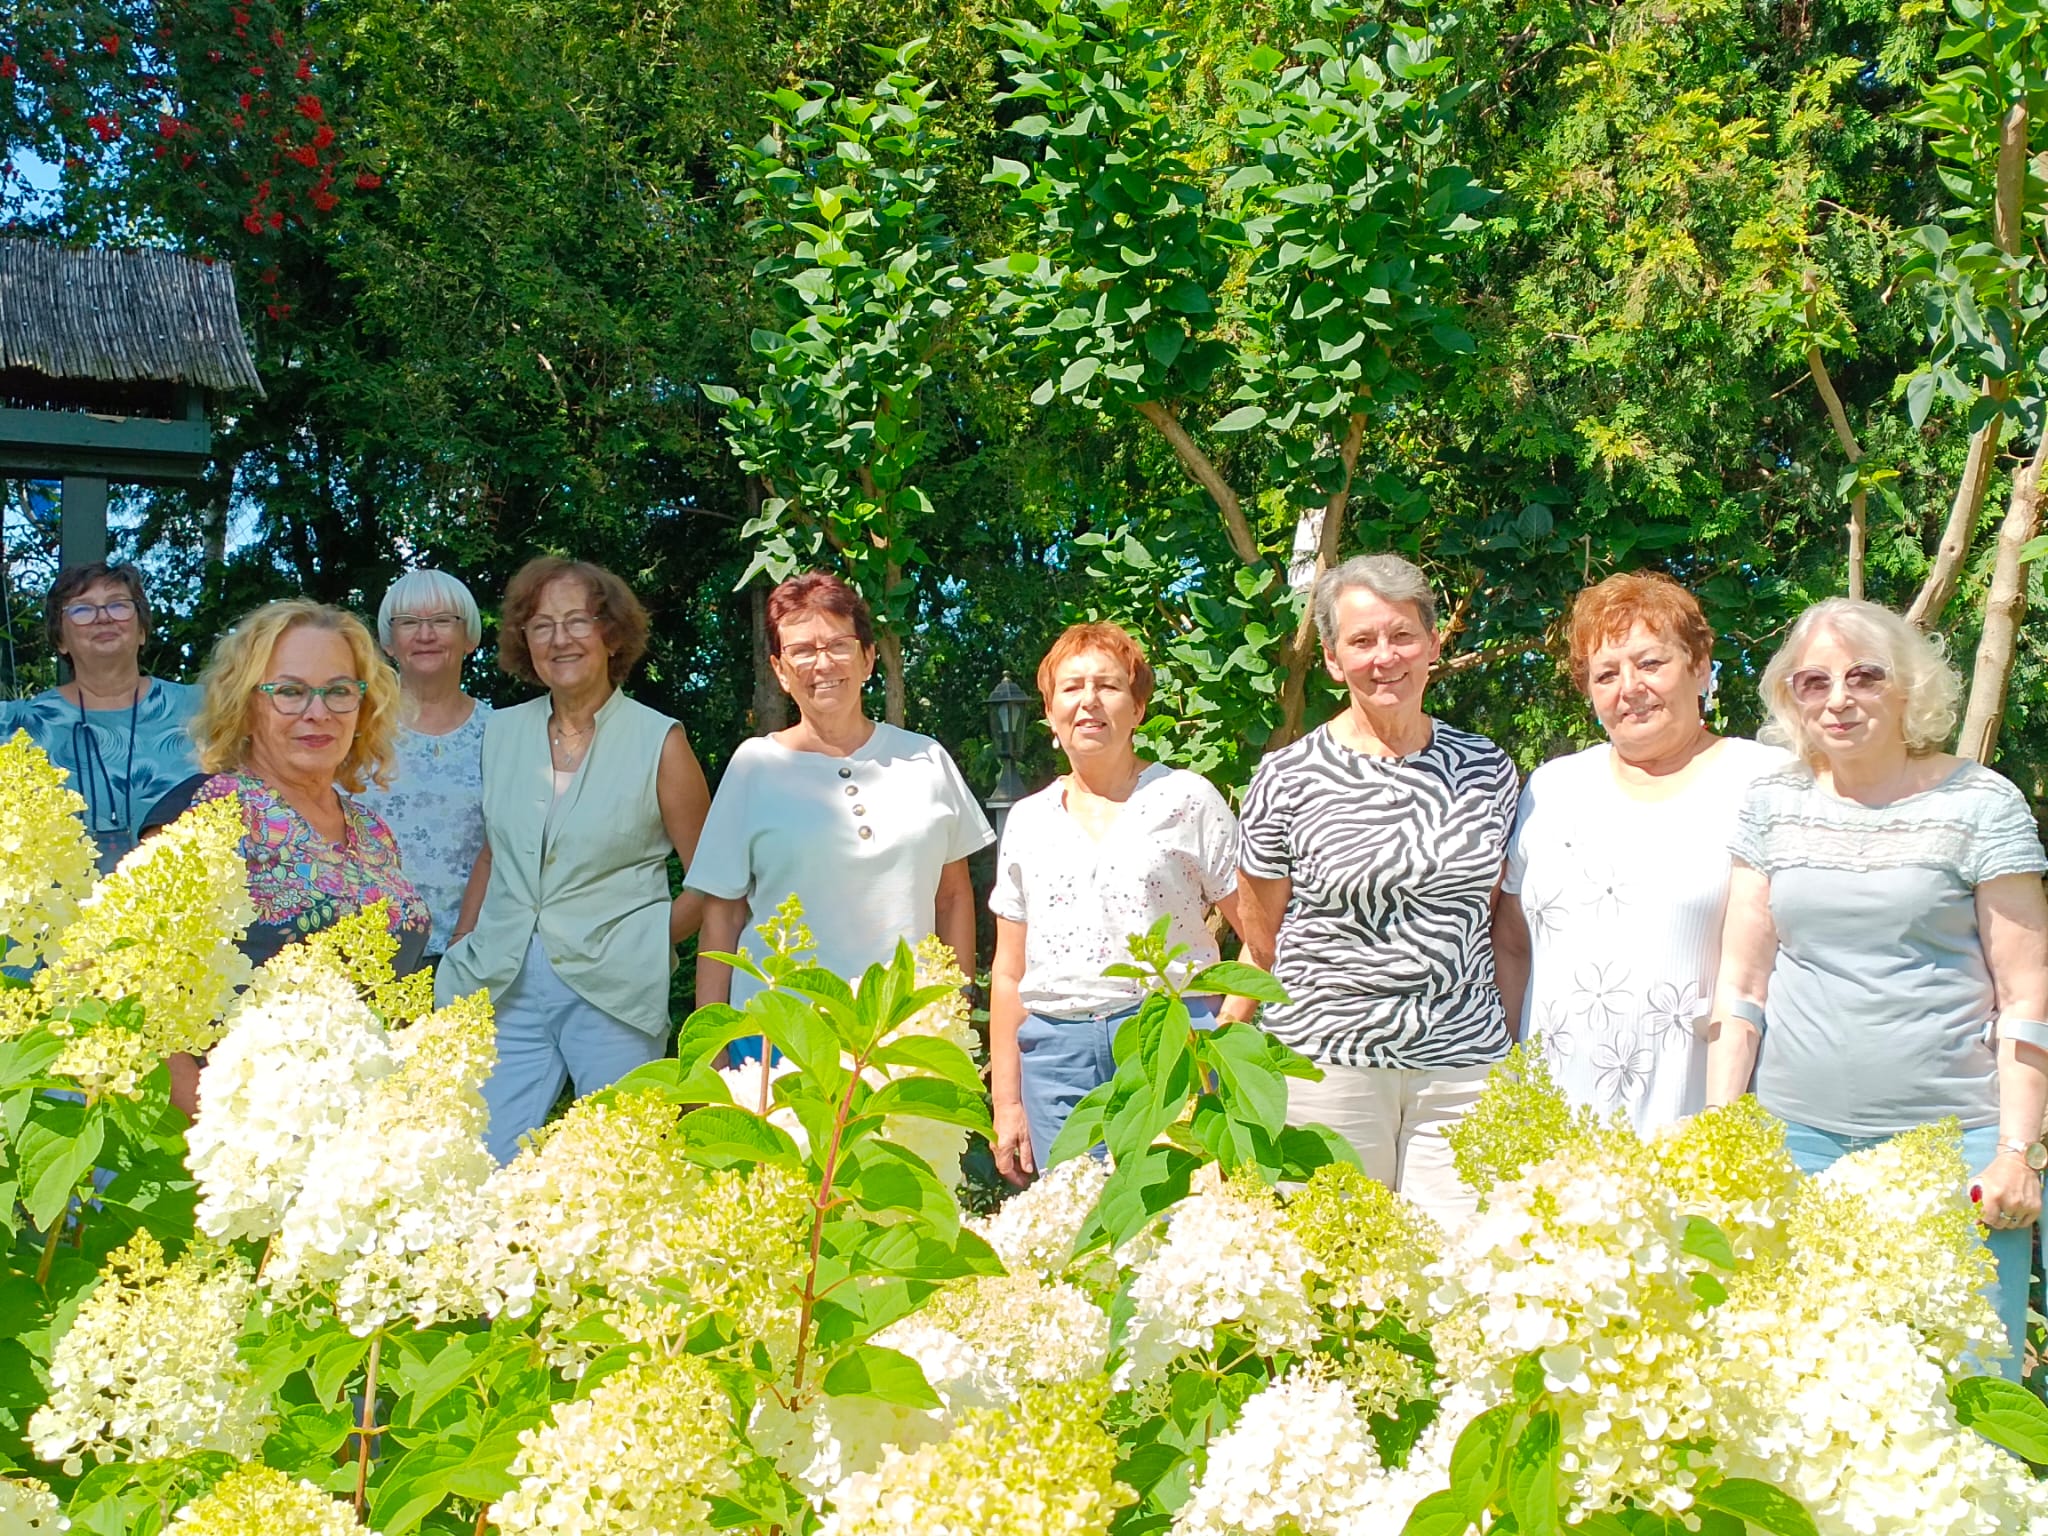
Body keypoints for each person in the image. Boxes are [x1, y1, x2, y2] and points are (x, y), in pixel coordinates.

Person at [1706, 597, 2048, 1377]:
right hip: (1796, 1146)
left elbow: (2027, 997)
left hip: (1951, 1155)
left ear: (1909, 689)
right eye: (1813, 682)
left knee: (1962, 1391)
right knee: (1794, 1385)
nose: (1839, 699)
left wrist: (2015, 1152)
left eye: (1865, 676)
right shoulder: (1773, 805)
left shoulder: (1980, 805)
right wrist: (1722, 1135)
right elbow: (1743, 983)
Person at [1234, 553, 1519, 1224]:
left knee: (1464, 1269)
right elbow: (1261, 935)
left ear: (1432, 644)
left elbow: (1495, 922)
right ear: (1333, 660)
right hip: (1327, 1065)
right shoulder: (1287, 778)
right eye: (1361, 641)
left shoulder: (1487, 769)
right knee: (1334, 1272)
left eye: (1401, 635)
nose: (1383, 657)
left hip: (1462, 1070)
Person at [438, 557, 711, 1162]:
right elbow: (494, 849)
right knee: (476, 1160)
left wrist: (643, 940)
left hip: (613, 990)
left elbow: (712, 879)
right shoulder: (502, 733)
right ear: (523, 641)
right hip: (500, 982)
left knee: (626, 1163)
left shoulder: (659, 740)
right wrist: (463, 936)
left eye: (577, 621)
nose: (560, 639)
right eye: (541, 625)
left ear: (610, 633)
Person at [1493, 573, 1785, 1129]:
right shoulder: (1553, 789)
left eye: (1651, 663)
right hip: (1550, 1122)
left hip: (1698, 1121)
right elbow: (1512, 946)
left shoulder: (1762, 781)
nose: (1629, 687)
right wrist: (1510, 1082)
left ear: (1700, 667)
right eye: (1606, 674)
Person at [146, 599, 430, 1113]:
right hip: (238, 1137)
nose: (316, 712)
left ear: (363, 709)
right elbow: (138, 987)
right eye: (290, 692)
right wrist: (211, 1132)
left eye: (339, 691)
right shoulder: (208, 812)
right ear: (246, 705)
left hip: (360, 1130)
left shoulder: (372, 833)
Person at [987, 622, 1244, 1183]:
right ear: (1050, 715)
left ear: (1138, 707)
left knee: (1176, 1212)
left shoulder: (1186, 798)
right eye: (1071, 688)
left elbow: (1262, 932)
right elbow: (1008, 971)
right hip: (1056, 1056)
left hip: (1170, 1041)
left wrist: (1224, 1030)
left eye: (1108, 685)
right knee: (1075, 1224)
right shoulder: (1028, 819)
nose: (1089, 702)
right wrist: (1007, 1102)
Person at [689, 572, 993, 1038]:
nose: (822, 663)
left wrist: (956, 1009)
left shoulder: (924, 757)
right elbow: (722, 916)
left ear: (869, 658)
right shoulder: (754, 767)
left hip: (907, 1030)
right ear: (780, 671)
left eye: (838, 645)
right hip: (781, 1036)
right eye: (802, 651)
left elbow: (952, 897)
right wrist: (711, 1050)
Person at [4, 562, 200, 870]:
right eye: (82, 610)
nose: (103, 617)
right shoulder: (13, 726)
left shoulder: (208, 709)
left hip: (190, 909)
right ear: (60, 641)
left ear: (142, 630)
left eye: (118, 605)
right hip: (51, 914)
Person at [356, 570, 491, 965]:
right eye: (409, 622)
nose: (425, 634)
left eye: (442, 621)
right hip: (365, 957)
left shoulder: (505, 734)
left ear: (469, 638)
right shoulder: (354, 727)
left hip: (475, 957)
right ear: (389, 642)